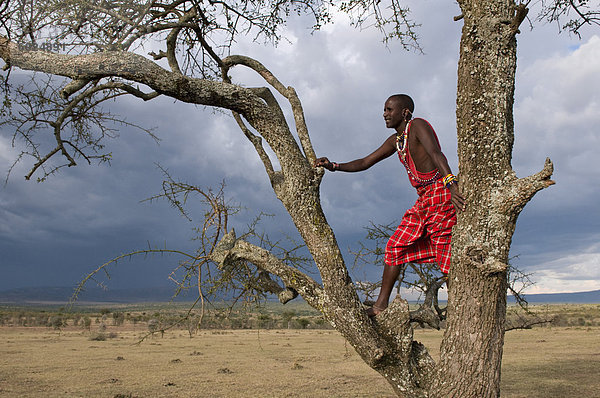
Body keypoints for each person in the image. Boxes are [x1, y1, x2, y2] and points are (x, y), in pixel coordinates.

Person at [314, 94, 465, 317]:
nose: (384, 114)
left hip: (440, 195)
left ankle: (460, 310)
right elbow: (365, 162)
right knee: (394, 247)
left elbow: (435, 153)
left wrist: (451, 185)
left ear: (404, 112)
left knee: (447, 258)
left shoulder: (418, 125)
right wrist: (334, 166)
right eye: (384, 110)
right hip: (424, 200)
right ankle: (380, 306)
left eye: (389, 110)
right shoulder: (396, 141)